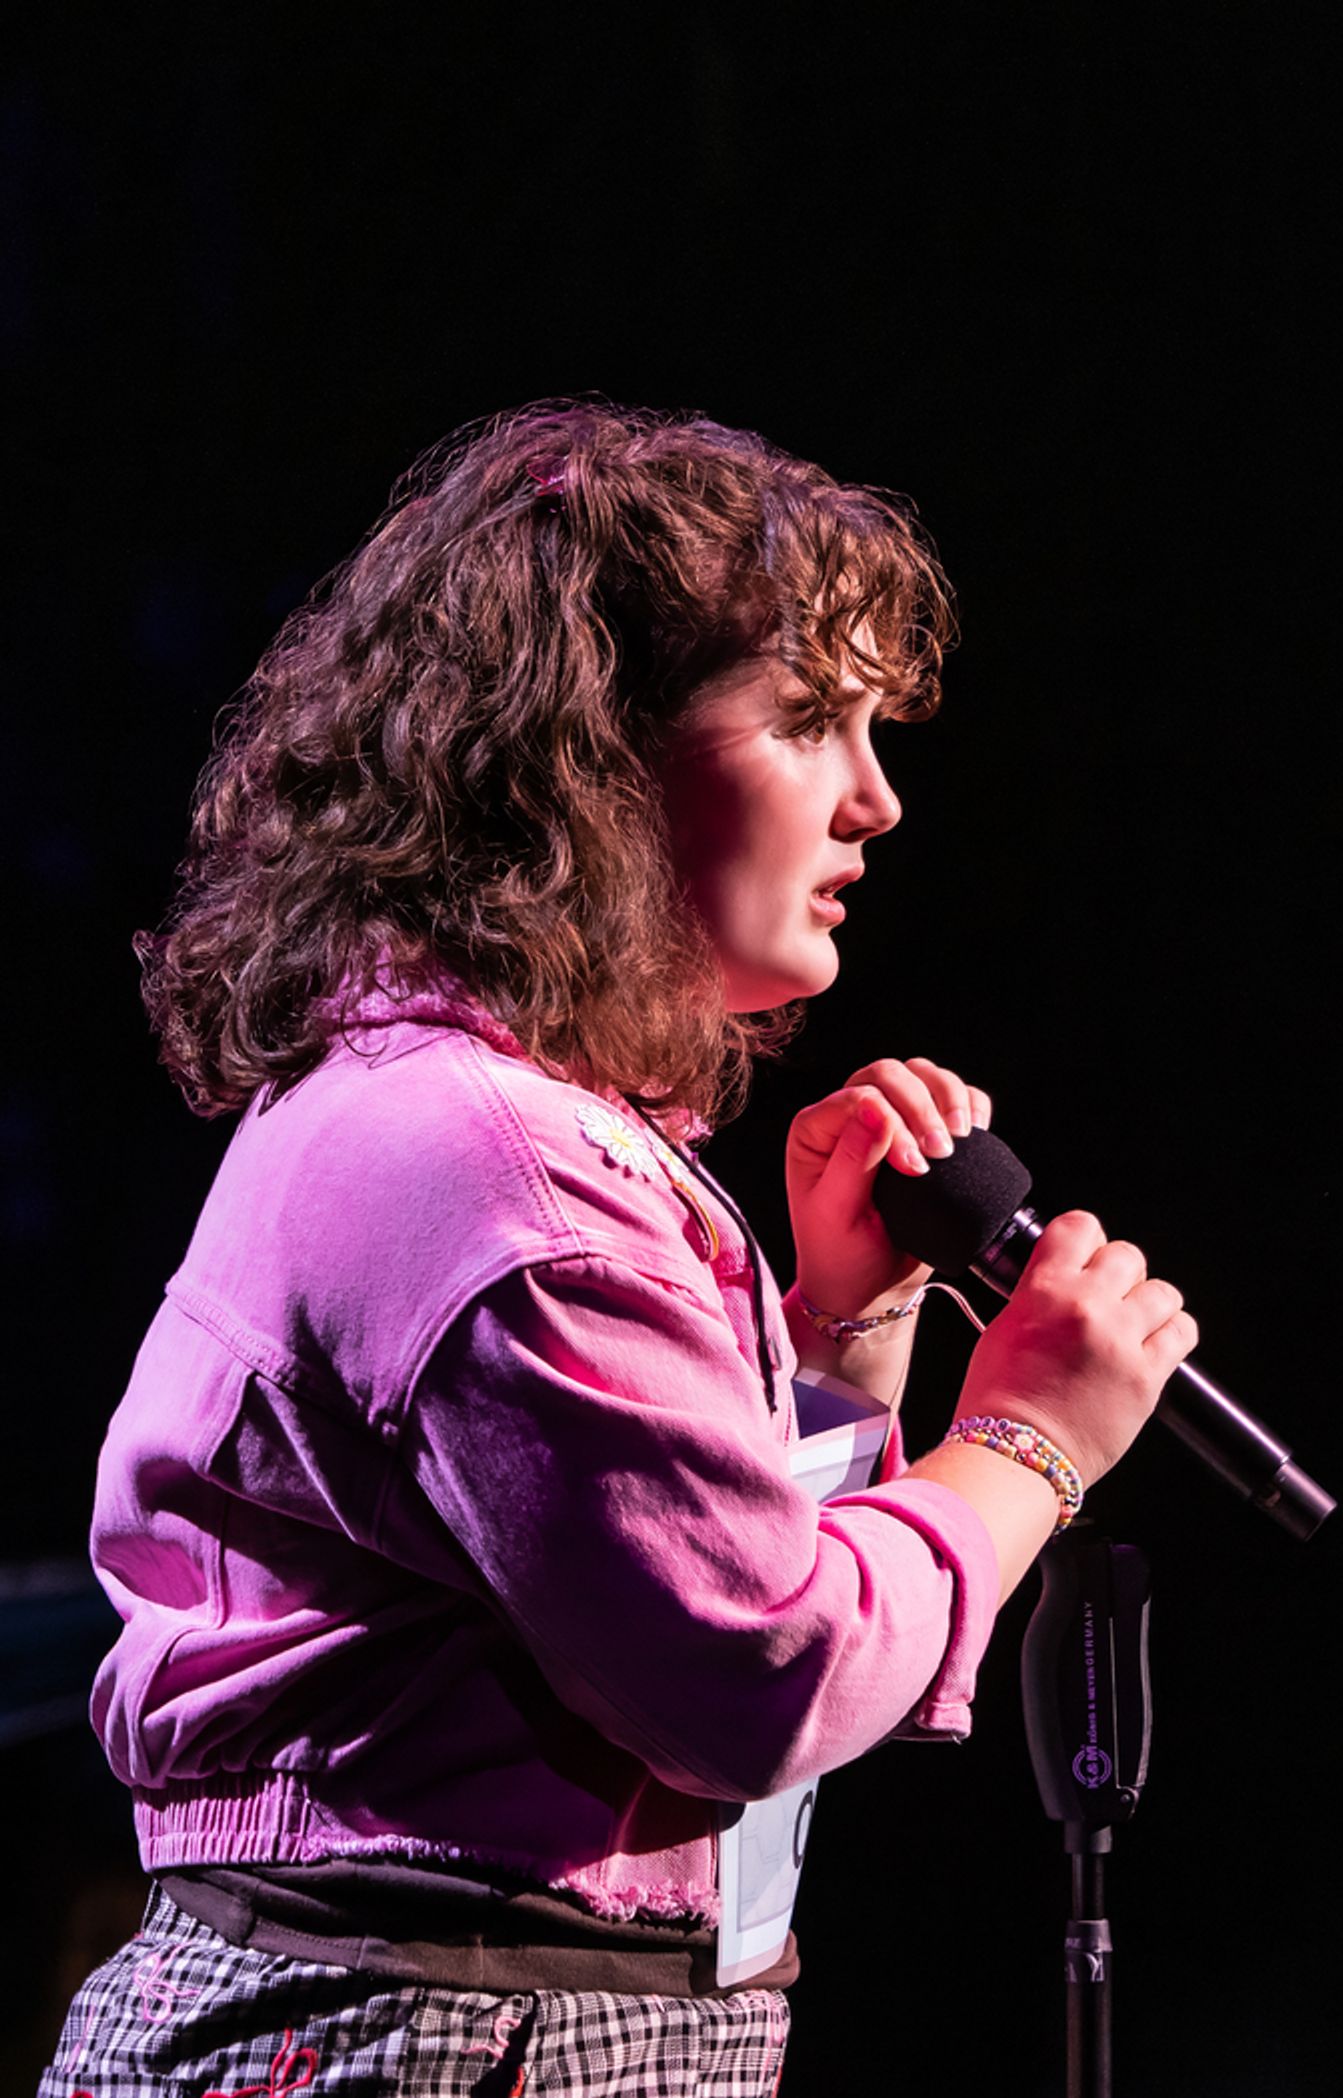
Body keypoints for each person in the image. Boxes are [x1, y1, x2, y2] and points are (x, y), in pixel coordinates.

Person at [40, 400, 1196, 2096]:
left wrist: (841, 1325)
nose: (876, 797)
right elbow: (757, 1672)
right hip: (419, 2031)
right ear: (582, 753)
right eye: (809, 717)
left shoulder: (500, 1119)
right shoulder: (496, 1164)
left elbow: (668, 1586)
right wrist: (1030, 1434)